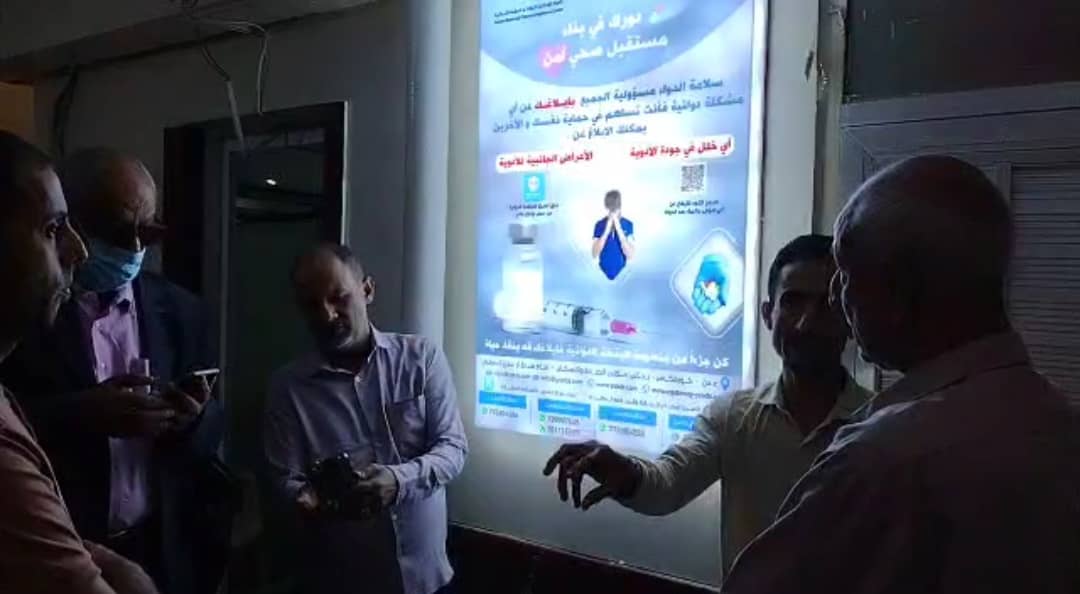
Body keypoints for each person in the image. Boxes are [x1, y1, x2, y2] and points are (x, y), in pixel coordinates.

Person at [722, 156, 1080, 593]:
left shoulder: (881, 461)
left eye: (846, 275)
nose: (835, 299)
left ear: (897, 291)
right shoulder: (1056, 421)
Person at [544, 234, 872, 576]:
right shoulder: (733, 417)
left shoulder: (881, 424)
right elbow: (667, 484)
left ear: (850, 316)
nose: (807, 322)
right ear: (767, 315)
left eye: (827, 305)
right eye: (793, 302)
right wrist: (627, 473)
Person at [0, 148, 231, 594]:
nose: (136, 249)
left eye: (147, 232)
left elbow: (214, 428)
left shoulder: (183, 311)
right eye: (118, 232)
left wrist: (191, 420)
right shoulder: (28, 307)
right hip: (52, 549)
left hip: (163, 549)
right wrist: (81, 413)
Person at [0, 130, 159, 593]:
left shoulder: (182, 309)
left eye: (146, 231)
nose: (78, 251)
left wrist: (91, 555)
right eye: (53, 229)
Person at [263, 243, 468, 594]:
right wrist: (306, 499)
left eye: (338, 297)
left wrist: (398, 481)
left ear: (367, 290)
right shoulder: (287, 389)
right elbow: (286, 480)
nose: (327, 315)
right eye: (312, 305)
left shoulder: (421, 358)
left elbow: (453, 449)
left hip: (429, 579)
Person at [591, 189, 634, 280]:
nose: (613, 211)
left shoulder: (628, 224)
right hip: (601, 273)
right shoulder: (599, 224)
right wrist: (607, 230)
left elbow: (630, 255)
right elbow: (594, 254)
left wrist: (619, 228)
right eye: (611, 208)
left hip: (623, 273)